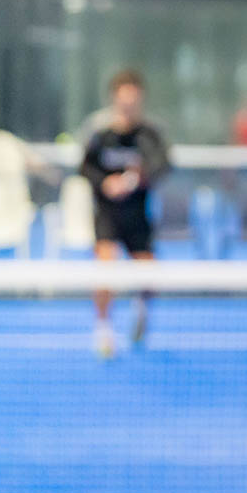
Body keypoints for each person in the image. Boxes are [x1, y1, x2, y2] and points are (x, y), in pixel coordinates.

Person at [80, 69, 170, 357]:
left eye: (133, 100)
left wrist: (137, 179)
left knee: (149, 279)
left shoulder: (150, 134)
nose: (128, 105)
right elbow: (85, 168)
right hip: (108, 216)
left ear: (140, 99)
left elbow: (162, 165)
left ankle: (140, 312)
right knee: (105, 272)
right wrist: (105, 183)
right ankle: (103, 330)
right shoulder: (100, 133)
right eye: (123, 100)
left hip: (138, 217)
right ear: (114, 99)